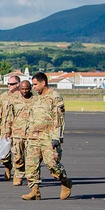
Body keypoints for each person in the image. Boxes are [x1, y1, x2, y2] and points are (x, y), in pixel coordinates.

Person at [23, 72, 73, 200]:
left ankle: (65, 181)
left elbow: (59, 118)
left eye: (35, 84)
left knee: (52, 164)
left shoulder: (54, 97)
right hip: (33, 137)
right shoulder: (35, 98)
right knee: (30, 166)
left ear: (43, 83)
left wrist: (57, 137)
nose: (33, 87)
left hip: (48, 137)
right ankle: (35, 190)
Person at [2, 79, 34, 188]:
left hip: (31, 133)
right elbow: (9, 117)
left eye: (27, 89)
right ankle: (18, 174)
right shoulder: (14, 100)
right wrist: (7, 131)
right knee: (18, 156)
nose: (25, 91)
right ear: (19, 89)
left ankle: (31, 178)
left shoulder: (35, 100)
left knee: (31, 157)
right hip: (17, 133)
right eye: (23, 89)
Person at [0, 74, 21, 180]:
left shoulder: (23, 96)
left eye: (12, 84)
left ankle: (17, 176)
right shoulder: (3, 96)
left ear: (18, 84)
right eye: (8, 84)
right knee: (4, 155)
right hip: (4, 129)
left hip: (19, 130)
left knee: (18, 154)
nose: (9, 86)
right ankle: (7, 166)